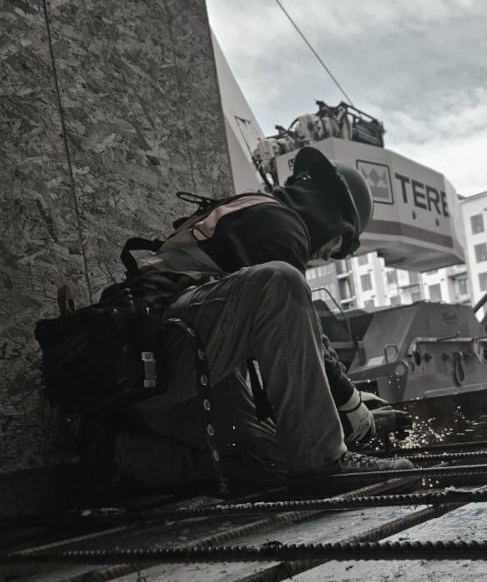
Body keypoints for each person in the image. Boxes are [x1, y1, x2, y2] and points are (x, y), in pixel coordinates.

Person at [112, 146, 414, 492]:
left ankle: (128, 457)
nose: (328, 256)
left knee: (268, 460)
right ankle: (324, 463)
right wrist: (348, 402)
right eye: (339, 247)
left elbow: (287, 341)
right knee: (282, 281)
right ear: (336, 222)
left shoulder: (252, 214)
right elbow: (297, 315)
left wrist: (346, 403)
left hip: (167, 369)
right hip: (162, 352)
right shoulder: (278, 222)